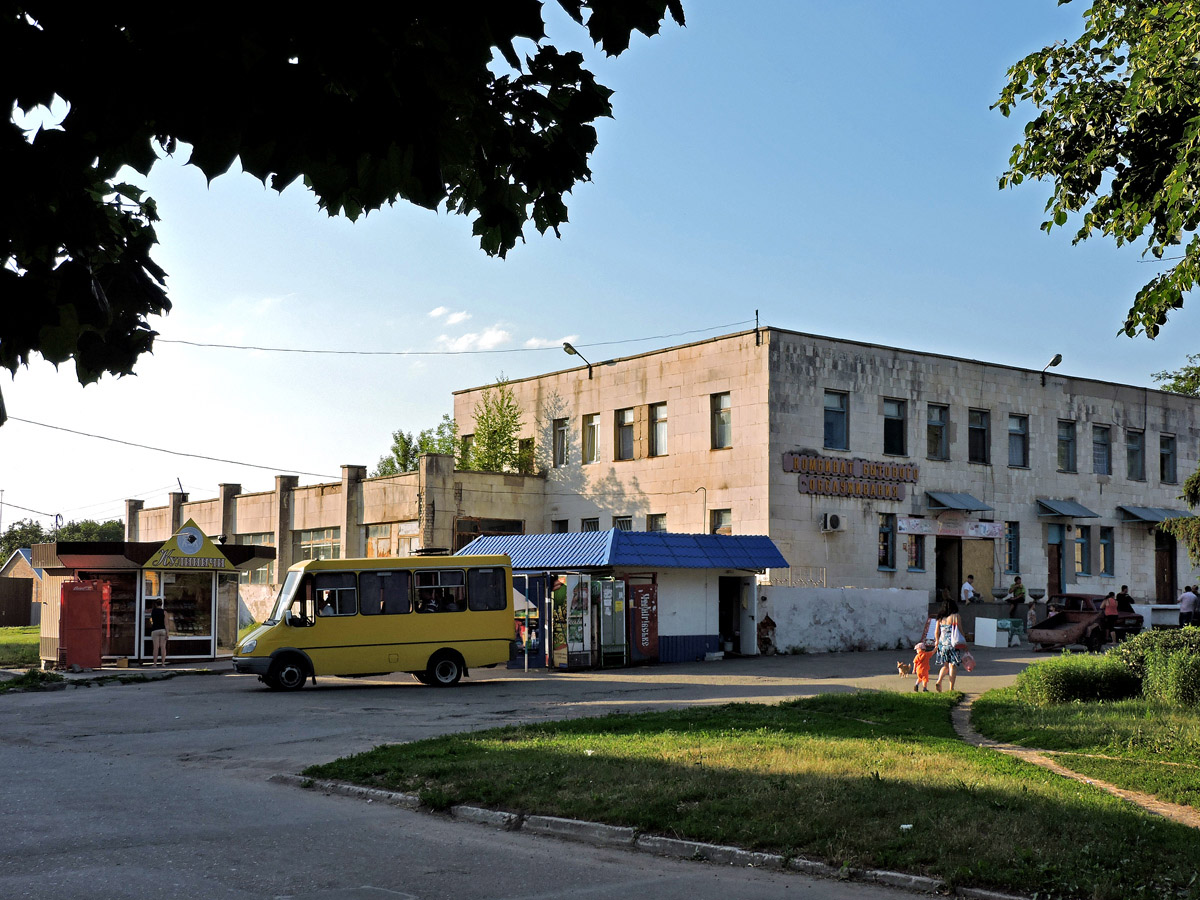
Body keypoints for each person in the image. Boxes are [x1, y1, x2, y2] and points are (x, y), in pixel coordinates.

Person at [933, 598, 964, 692]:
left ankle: (939, 680)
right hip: (953, 644)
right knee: (952, 666)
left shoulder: (940, 618)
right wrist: (964, 639)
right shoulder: (955, 616)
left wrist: (937, 641)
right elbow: (960, 629)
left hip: (942, 644)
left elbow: (936, 631)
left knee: (945, 666)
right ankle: (951, 688)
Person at [149, 599, 168, 667]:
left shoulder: (153, 611)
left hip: (155, 630)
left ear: (156, 604)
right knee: (163, 647)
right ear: (162, 604)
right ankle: (163, 663)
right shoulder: (164, 612)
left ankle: (154, 663)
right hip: (163, 630)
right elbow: (166, 624)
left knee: (156, 647)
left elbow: (150, 619)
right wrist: (167, 633)